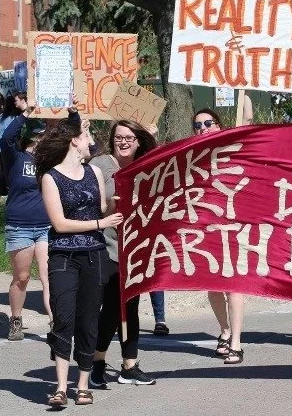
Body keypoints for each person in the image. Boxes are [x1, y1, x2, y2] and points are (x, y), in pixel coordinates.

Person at [36, 117, 120, 408]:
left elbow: (100, 209)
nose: (91, 141)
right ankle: (60, 386)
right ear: (74, 140)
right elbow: (59, 224)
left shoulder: (94, 172)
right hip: (63, 255)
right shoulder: (51, 177)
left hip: (94, 254)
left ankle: (82, 384)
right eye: (86, 135)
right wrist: (101, 221)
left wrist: (114, 204)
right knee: (64, 317)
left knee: (88, 319)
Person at [89, 120, 160, 387]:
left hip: (137, 247)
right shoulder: (100, 165)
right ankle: (96, 360)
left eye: (130, 137)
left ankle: (129, 364)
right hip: (106, 245)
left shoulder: (146, 164)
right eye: (119, 137)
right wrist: (109, 207)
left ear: (138, 140)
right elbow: (91, 204)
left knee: (130, 305)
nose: (124, 142)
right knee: (112, 306)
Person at [0, 96, 56, 341]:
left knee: (48, 276)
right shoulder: (15, 157)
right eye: (39, 137)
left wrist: (75, 115)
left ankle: (56, 322)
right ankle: (16, 319)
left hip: (46, 225)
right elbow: (5, 138)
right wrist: (26, 114)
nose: (43, 141)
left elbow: (76, 141)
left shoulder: (51, 161)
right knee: (22, 277)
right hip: (19, 225)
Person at [193, 108, 246, 365]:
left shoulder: (234, 148)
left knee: (234, 286)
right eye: (198, 125)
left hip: (233, 226)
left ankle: (236, 341)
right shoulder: (192, 155)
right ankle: (224, 330)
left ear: (219, 125)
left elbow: (246, 120)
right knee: (213, 288)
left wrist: (244, 92)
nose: (203, 128)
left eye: (208, 123)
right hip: (205, 228)